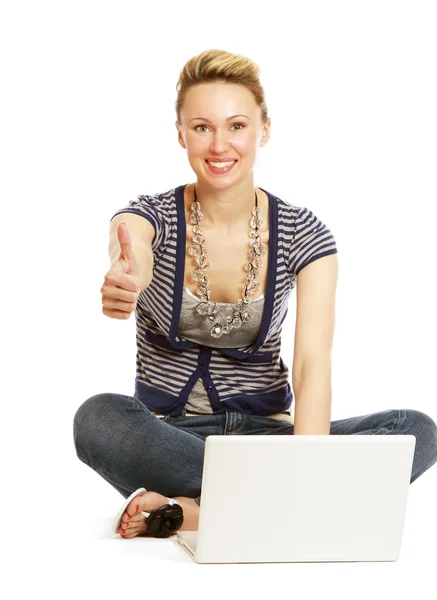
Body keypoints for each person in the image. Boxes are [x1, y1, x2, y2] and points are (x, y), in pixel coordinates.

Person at [73, 49, 437, 539]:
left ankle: (192, 510)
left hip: (274, 438)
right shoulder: (151, 216)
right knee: (98, 419)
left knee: (415, 430)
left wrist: (303, 465)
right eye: (202, 127)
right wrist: (129, 276)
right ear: (180, 133)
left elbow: (312, 364)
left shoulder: (305, 234)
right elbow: (131, 241)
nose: (220, 144)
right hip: (173, 436)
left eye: (237, 125)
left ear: (264, 130)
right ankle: (277, 505)